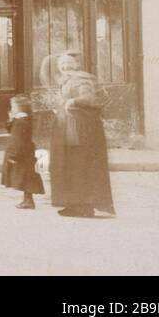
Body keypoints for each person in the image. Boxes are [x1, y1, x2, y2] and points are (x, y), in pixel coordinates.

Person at [42, 50, 116, 218]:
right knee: (71, 167)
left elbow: (89, 98)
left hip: (82, 130)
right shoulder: (67, 80)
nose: (65, 67)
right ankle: (74, 204)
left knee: (80, 167)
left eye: (68, 63)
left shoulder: (81, 79)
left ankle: (84, 206)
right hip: (70, 130)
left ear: (76, 65)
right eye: (62, 65)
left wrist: (72, 101)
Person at [0, 94, 45, 209]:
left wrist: (14, 155)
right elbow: (11, 130)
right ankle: (27, 200)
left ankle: (28, 201)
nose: (11, 109)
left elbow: (18, 140)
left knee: (24, 177)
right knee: (25, 177)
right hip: (26, 152)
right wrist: (11, 119)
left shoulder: (21, 122)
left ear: (20, 108)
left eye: (13, 107)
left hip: (22, 153)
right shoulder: (21, 119)